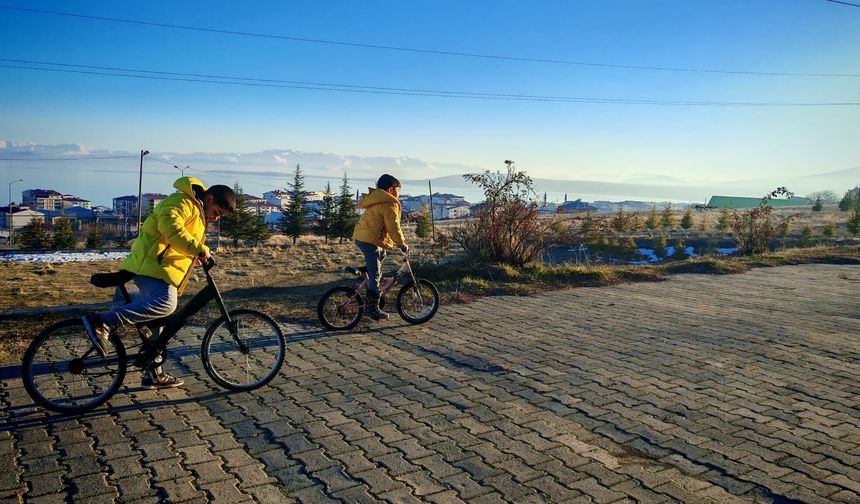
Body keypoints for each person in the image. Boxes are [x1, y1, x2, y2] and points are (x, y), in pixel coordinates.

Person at [82, 177, 235, 388]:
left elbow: (182, 243)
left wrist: (199, 254)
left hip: (161, 269)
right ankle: (103, 322)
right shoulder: (182, 201)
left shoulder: (197, 211)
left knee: (160, 323)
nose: (216, 219)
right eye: (217, 212)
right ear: (208, 198)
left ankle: (153, 374)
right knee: (166, 303)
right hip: (151, 265)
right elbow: (170, 227)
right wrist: (198, 249)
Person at [352, 174, 410, 321]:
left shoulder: (378, 199)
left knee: (381, 253)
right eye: (398, 190)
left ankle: (368, 274)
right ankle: (372, 308)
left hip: (362, 236)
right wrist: (401, 244)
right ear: (391, 190)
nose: (398, 193)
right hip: (369, 240)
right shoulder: (389, 203)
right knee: (376, 274)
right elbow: (394, 227)